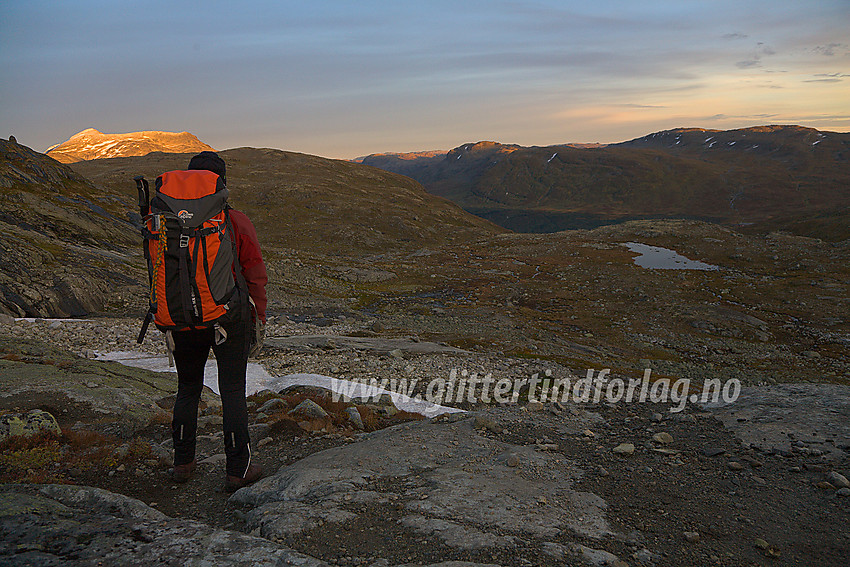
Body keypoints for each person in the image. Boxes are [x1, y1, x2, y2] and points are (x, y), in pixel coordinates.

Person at [169, 151, 268, 492]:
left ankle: (183, 462)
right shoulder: (233, 220)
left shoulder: (167, 223)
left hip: (182, 319)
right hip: (229, 318)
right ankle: (237, 469)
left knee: (187, 388)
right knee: (231, 391)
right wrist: (260, 313)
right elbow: (254, 269)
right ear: (221, 183)